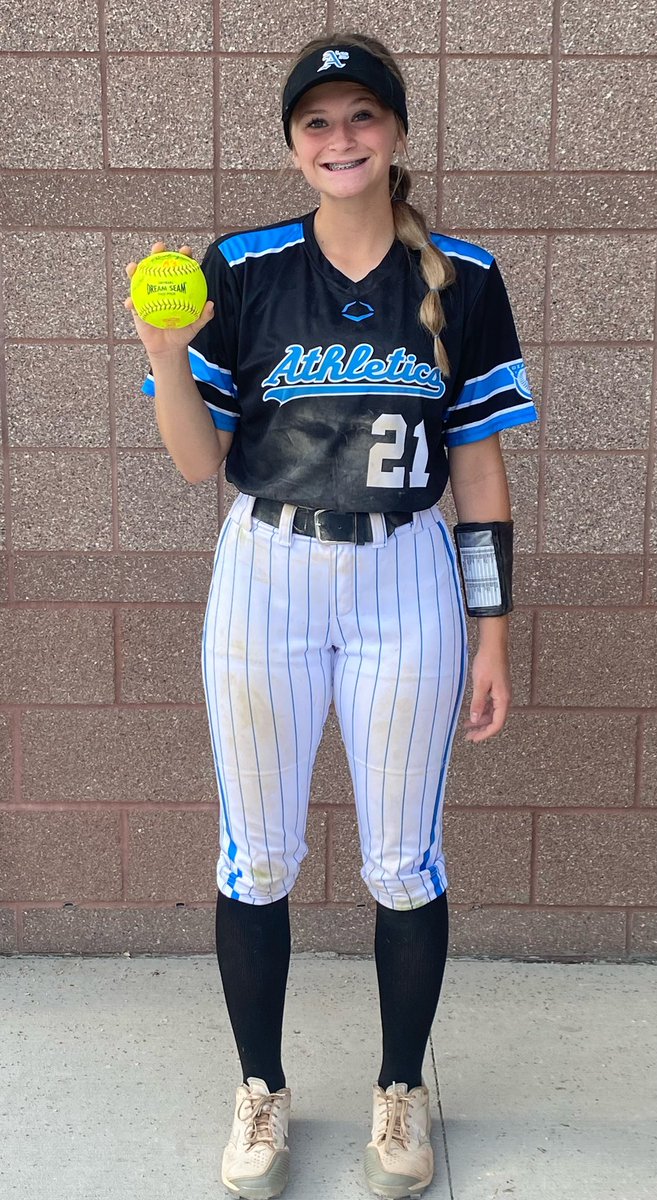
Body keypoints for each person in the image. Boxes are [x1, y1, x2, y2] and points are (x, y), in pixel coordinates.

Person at [126, 31, 537, 1200]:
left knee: (403, 862)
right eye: (318, 122)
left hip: (408, 575)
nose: (341, 140)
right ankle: (261, 1090)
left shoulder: (463, 272)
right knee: (257, 856)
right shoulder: (243, 268)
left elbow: (482, 470)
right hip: (267, 572)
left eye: (362, 118)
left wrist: (493, 631)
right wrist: (167, 351)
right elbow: (199, 466)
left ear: (396, 133)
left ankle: (400, 1089)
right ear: (293, 145)